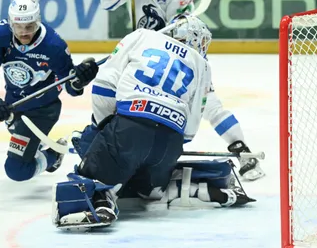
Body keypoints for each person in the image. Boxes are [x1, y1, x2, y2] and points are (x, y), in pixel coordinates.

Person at [53, 15, 255, 231]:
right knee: (146, 189)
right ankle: (190, 187)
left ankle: (102, 200)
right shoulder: (202, 66)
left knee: (88, 159)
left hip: (128, 130)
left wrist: (104, 131)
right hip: (169, 144)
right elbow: (189, 131)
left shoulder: (141, 36)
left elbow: (103, 87)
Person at [96, 0, 264, 180]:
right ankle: (111, 141)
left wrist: (156, 31)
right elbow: (106, 4)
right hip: (141, 51)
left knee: (208, 102)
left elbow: (182, 36)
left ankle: (241, 148)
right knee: (117, 91)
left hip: (172, 54)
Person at [0, 0, 98, 182]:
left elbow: (71, 88)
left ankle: (52, 156)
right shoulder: (2, 36)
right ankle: (32, 143)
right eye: (18, 26)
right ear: (11, 23)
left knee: (16, 170)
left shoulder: (53, 46)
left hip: (41, 111)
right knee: (26, 145)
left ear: (38, 21)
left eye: (29, 26)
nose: (23, 33)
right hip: (13, 106)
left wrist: (80, 80)